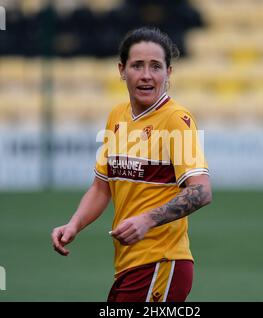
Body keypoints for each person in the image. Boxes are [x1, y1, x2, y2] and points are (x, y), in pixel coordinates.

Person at [51, 26, 212, 302]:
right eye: (137, 65)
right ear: (122, 70)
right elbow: (101, 188)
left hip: (162, 262)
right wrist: (74, 224)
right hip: (130, 265)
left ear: (168, 73)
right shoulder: (116, 116)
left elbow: (201, 191)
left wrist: (147, 220)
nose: (147, 75)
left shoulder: (176, 119)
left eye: (156, 66)